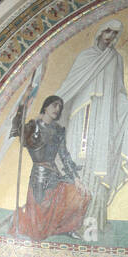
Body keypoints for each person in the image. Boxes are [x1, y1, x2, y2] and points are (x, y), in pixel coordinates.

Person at [54, 21, 128, 232]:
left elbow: (120, 92)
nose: (110, 36)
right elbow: (70, 86)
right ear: (100, 32)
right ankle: (68, 221)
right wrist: (50, 109)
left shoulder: (115, 59)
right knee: (76, 160)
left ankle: (92, 221)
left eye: (115, 33)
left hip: (104, 121)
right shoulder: (85, 57)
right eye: (107, 31)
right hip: (81, 118)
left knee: (99, 166)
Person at [14, 95, 89, 242]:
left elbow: (64, 156)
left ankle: (66, 228)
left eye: (60, 106)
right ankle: (43, 227)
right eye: (54, 105)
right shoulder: (32, 127)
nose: (57, 109)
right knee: (38, 227)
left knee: (83, 195)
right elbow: (18, 131)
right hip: (39, 176)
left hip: (55, 175)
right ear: (46, 106)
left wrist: (76, 179)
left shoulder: (58, 130)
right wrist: (22, 105)